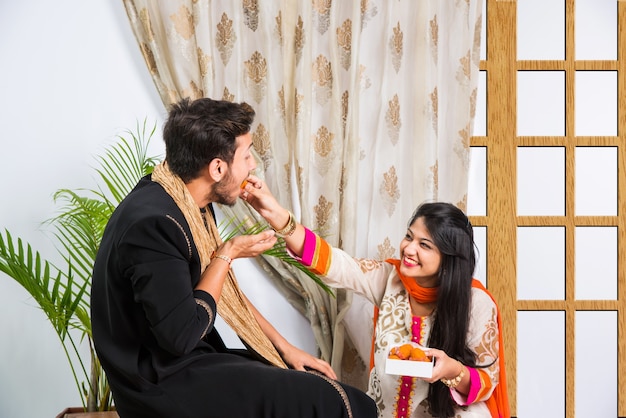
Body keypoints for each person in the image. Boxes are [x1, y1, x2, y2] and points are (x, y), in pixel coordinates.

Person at [90, 97, 378, 418]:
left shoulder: (182, 199)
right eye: (247, 154)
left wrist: (285, 348)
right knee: (343, 405)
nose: (252, 164)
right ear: (217, 168)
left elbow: (228, 295)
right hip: (161, 381)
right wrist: (226, 255)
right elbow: (182, 336)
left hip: (189, 361)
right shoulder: (155, 223)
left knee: (325, 389)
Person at [241, 181, 510, 417]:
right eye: (409, 237)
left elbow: (486, 382)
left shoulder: (476, 303)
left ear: (448, 259)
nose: (409, 249)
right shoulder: (388, 278)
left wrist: (451, 370)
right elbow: (335, 264)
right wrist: (277, 214)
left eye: (424, 245)